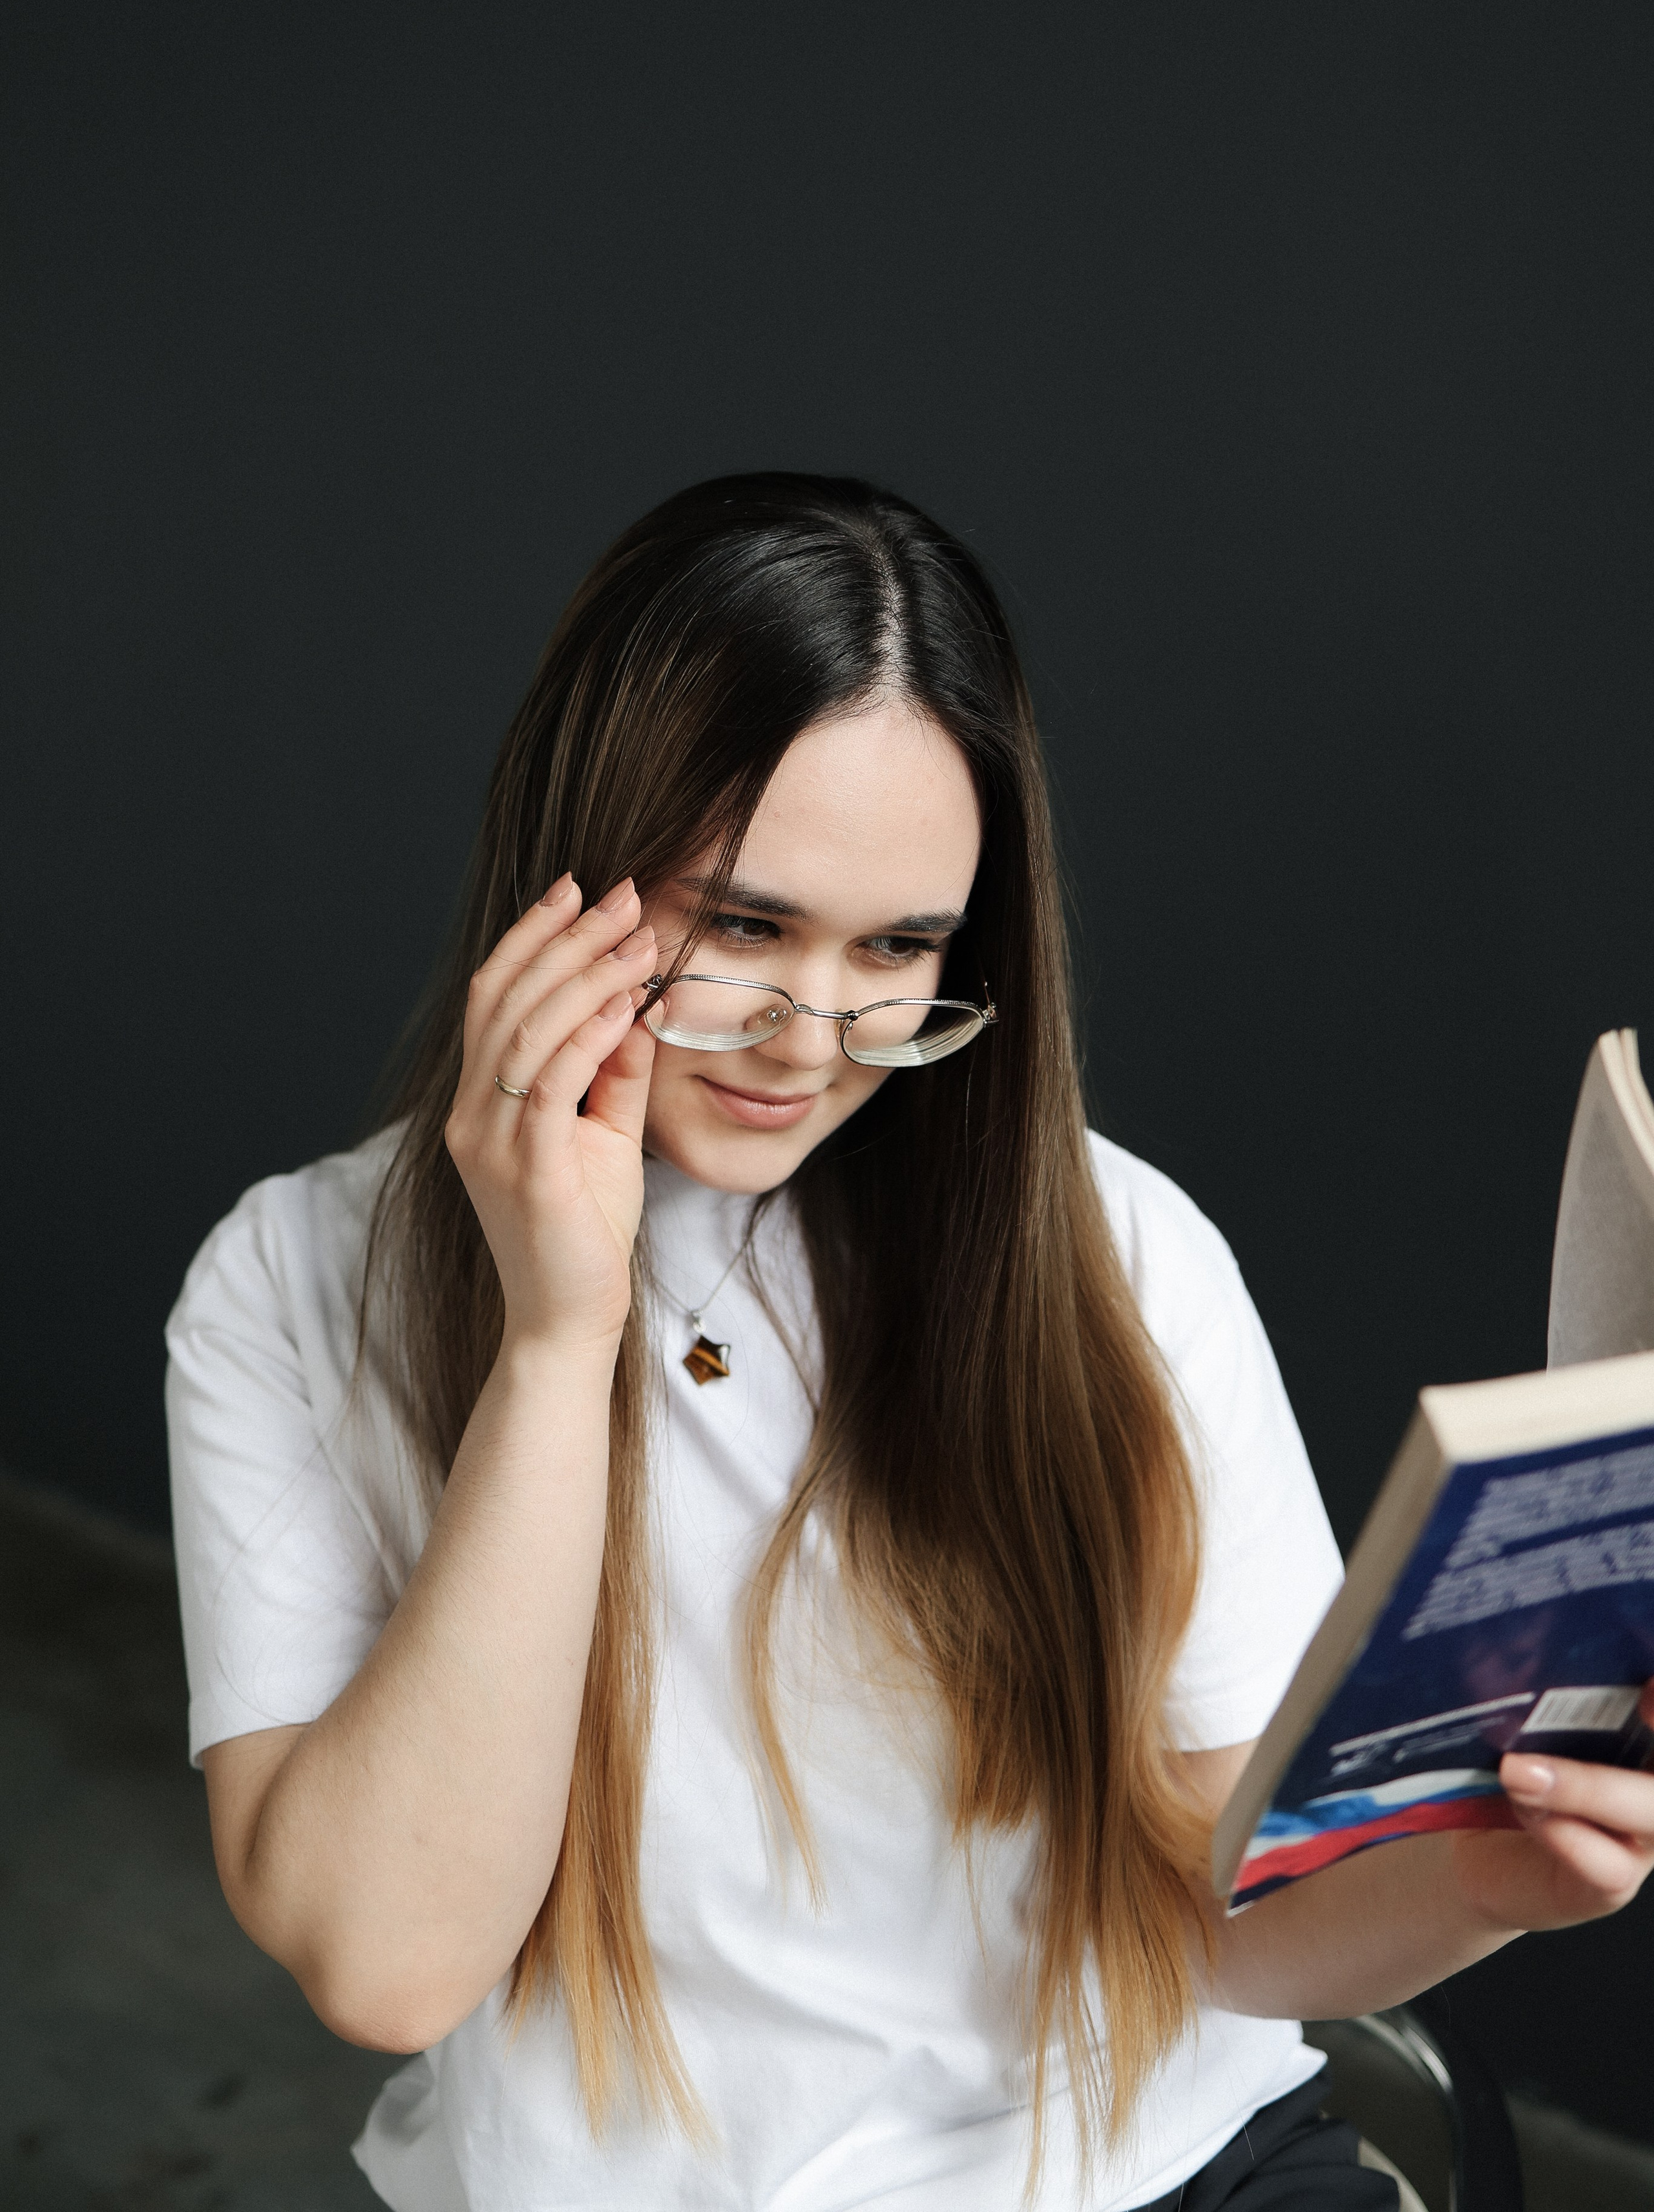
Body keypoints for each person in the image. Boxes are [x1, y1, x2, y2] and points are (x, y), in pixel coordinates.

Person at [165, 474, 1654, 2212]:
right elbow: (386, 1966)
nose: (813, 1038)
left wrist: (1503, 1881)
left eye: (899, 952)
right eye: (742, 926)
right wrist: (559, 1342)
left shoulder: (1117, 1258)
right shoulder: (290, 1282)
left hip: (1157, 2175)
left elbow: (1222, 1929)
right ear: (570, 867)